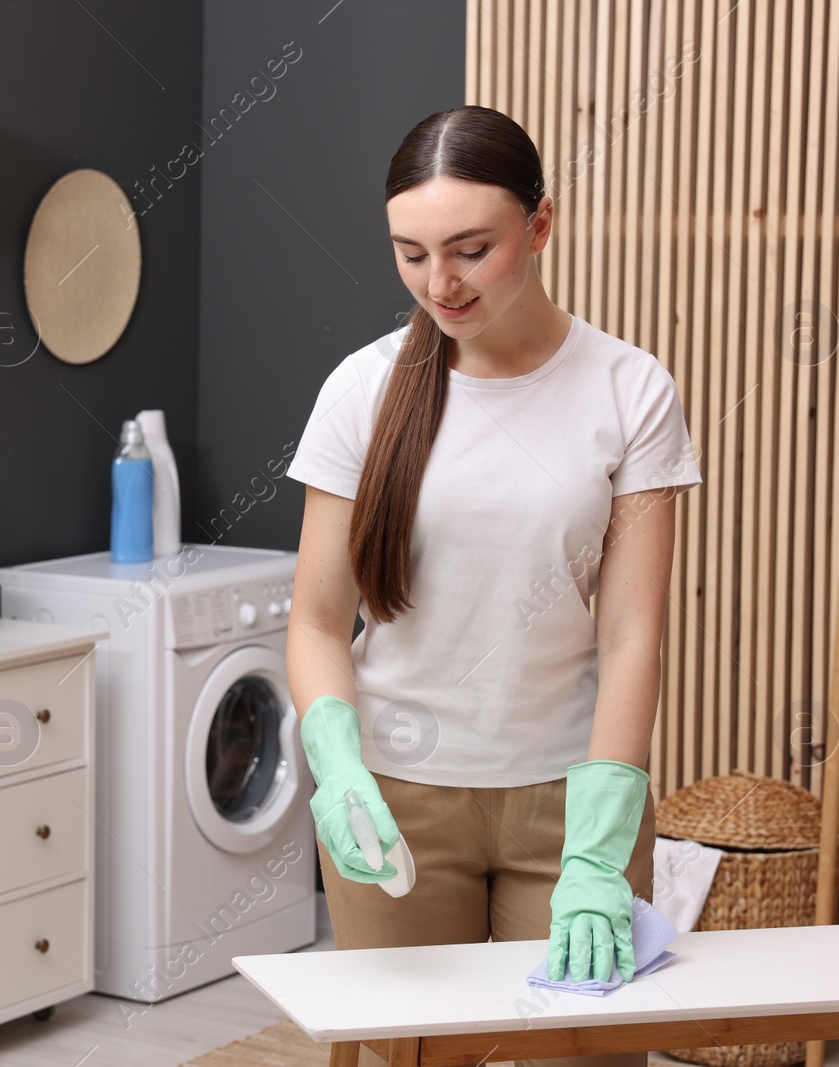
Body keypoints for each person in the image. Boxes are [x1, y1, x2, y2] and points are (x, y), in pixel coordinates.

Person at [284, 105, 702, 1067]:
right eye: (412, 254)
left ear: (540, 226)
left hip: (570, 802)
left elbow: (632, 633)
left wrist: (601, 851)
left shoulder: (630, 390)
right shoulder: (363, 389)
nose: (442, 285)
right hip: (396, 799)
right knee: (410, 1055)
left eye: (471, 250)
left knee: (580, 1053)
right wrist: (340, 768)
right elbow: (314, 622)